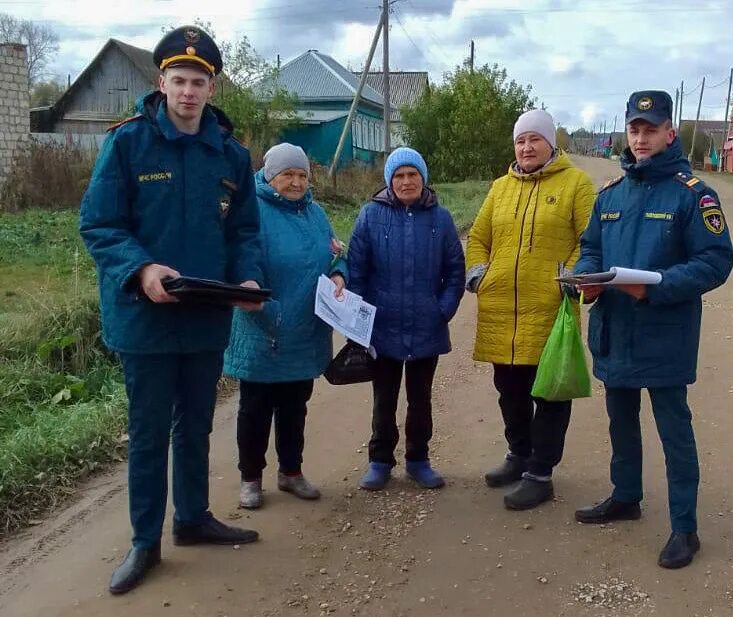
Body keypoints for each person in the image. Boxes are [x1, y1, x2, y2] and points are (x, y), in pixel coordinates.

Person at [79, 26, 265, 595]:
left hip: (205, 316)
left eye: (199, 81)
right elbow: (99, 224)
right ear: (160, 82)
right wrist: (141, 268)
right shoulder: (128, 144)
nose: (188, 91)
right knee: (149, 430)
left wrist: (248, 276)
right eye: (178, 80)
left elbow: (245, 230)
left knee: (197, 424)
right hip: (145, 317)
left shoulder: (230, 154)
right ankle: (144, 542)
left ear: (213, 87)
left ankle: (192, 518)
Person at [573, 91, 733, 569]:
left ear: (670, 133)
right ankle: (626, 497)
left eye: (651, 129)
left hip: (665, 331)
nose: (641, 138)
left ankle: (685, 527)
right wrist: (587, 278)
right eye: (634, 129)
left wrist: (659, 286)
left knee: (674, 431)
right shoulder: (610, 196)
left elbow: (716, 261)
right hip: (615, 329)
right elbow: (591, 249)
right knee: (620, 420)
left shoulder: (694, 194)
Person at [465, 109, 596, 510]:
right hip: (501, 308)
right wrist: (480, 276)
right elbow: (478, 236)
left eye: (534, 139)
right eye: (520, 141)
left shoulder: (576, 184)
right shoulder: (500, 187)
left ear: (550, 143)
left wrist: (569, 281)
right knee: (510, 391)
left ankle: (541, 472)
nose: (526, 147)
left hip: (550, 309)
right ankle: (518, 454)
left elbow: (590, 240)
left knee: (551, 392)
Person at [224, 143, 347, 508]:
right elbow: (242, 264)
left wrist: (340, 273)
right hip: (264, 329)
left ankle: (291, 472)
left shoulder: (316, 212)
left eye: (301, 176)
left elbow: (336, 251)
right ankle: (250, 478)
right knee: (255, 409)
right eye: (287, 175)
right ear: (268, 175)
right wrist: (269, 313)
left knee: (295, 407)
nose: (295, 183)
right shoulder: (251, 212)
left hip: (305, 330)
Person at [347, 147, 465, 491]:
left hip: (426, 326)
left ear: (423, 179)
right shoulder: (370, 216)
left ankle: (418, 459)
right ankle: (380, 460)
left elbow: (454, 271)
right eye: (399, 176)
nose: (406, 181)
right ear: (389, 181)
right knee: (384, 399)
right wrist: (360, 318)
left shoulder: (440, 219)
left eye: (412, 174)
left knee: (421, 398)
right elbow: (356, 270)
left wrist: (442, 309)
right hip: (381, 328)